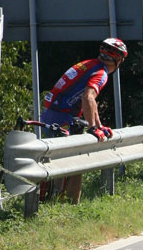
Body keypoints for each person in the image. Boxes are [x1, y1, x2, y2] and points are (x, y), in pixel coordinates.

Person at [40, 37, 128, 204]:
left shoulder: (89, 63)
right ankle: (65, 205)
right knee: (73, 163)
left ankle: (58, 201)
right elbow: (88, 98)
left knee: (66, 162)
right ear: (117, 60)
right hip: (62, 117)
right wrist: (94, 128)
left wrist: (99, 125)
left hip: (52, 112)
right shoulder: (101, 72)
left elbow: (90, 102)